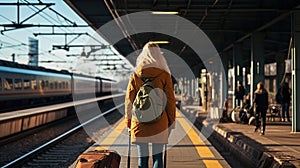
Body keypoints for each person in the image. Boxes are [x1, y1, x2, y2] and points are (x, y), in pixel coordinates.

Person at [125, 42, 176, 168]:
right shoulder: (164, 75)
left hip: (139, 121)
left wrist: (128, 122)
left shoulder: (135, 74)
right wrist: (171, 121)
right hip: (160, 121)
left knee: (142, 158)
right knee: (158, 157)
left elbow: (129, 100)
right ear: (159, 55)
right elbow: (170, 100)